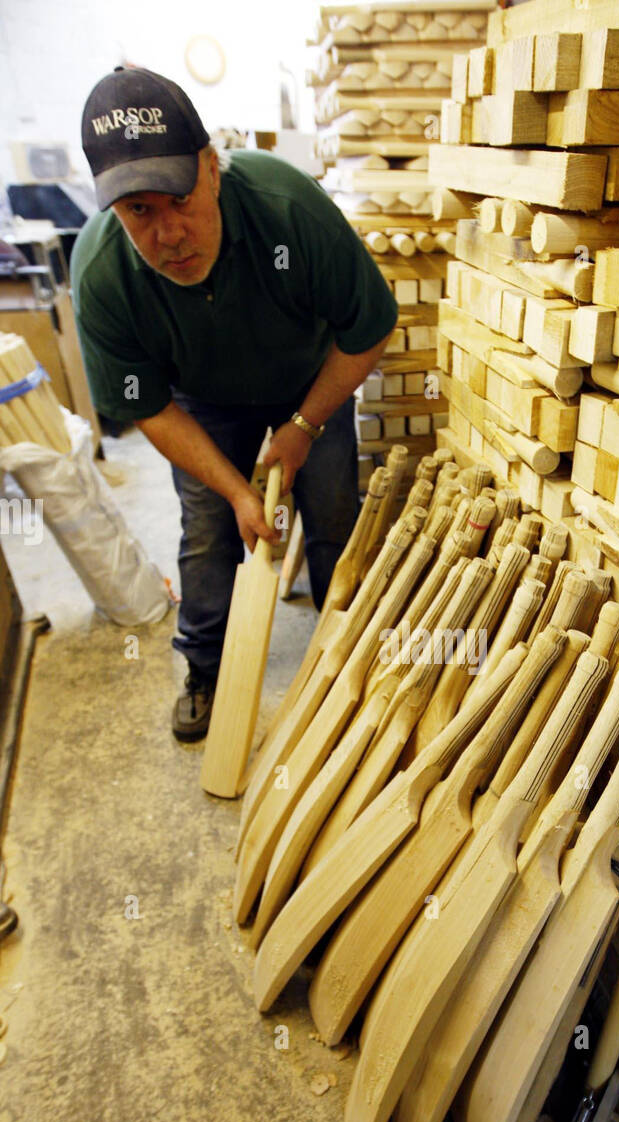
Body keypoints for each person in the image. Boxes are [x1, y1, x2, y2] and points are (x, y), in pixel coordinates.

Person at [71, 66, 397, 741]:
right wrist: (236, 490)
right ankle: (203, 667)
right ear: (113, 211)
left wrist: (304, 426)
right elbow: (151, 409)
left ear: (212, 167)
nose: (169, 234)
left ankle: (345, 662)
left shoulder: (289, 207)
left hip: (310, 379)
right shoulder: (102, 274)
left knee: (335, 516)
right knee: (209, 529)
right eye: (140, 213)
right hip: (201, 400)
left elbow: (367, 331)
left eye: (180, 199)